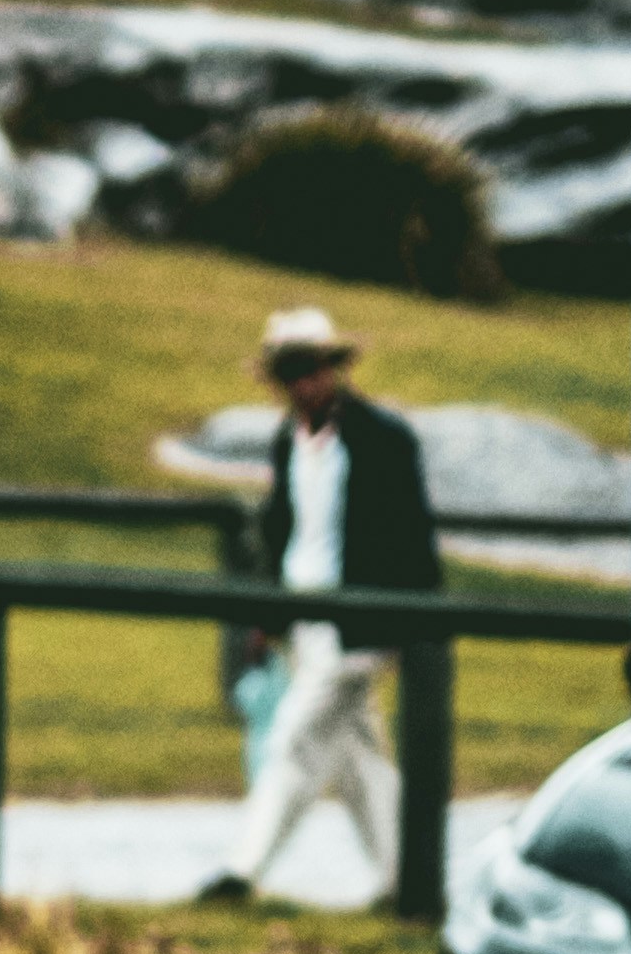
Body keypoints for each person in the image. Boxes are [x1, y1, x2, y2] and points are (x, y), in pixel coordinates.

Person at [183, 306, 440, 908]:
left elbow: (411, 537)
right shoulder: (287, 442)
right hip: (306, 621)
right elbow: (285, 533)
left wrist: (411, 624)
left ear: (333, 369)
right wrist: (269, 620)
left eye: (310, 369)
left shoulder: (383, 440)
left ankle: (242, 870)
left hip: (359, 625)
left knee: (294, 740)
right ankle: (408, 880)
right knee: (358, 759)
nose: (301, 385)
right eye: (289, 373)